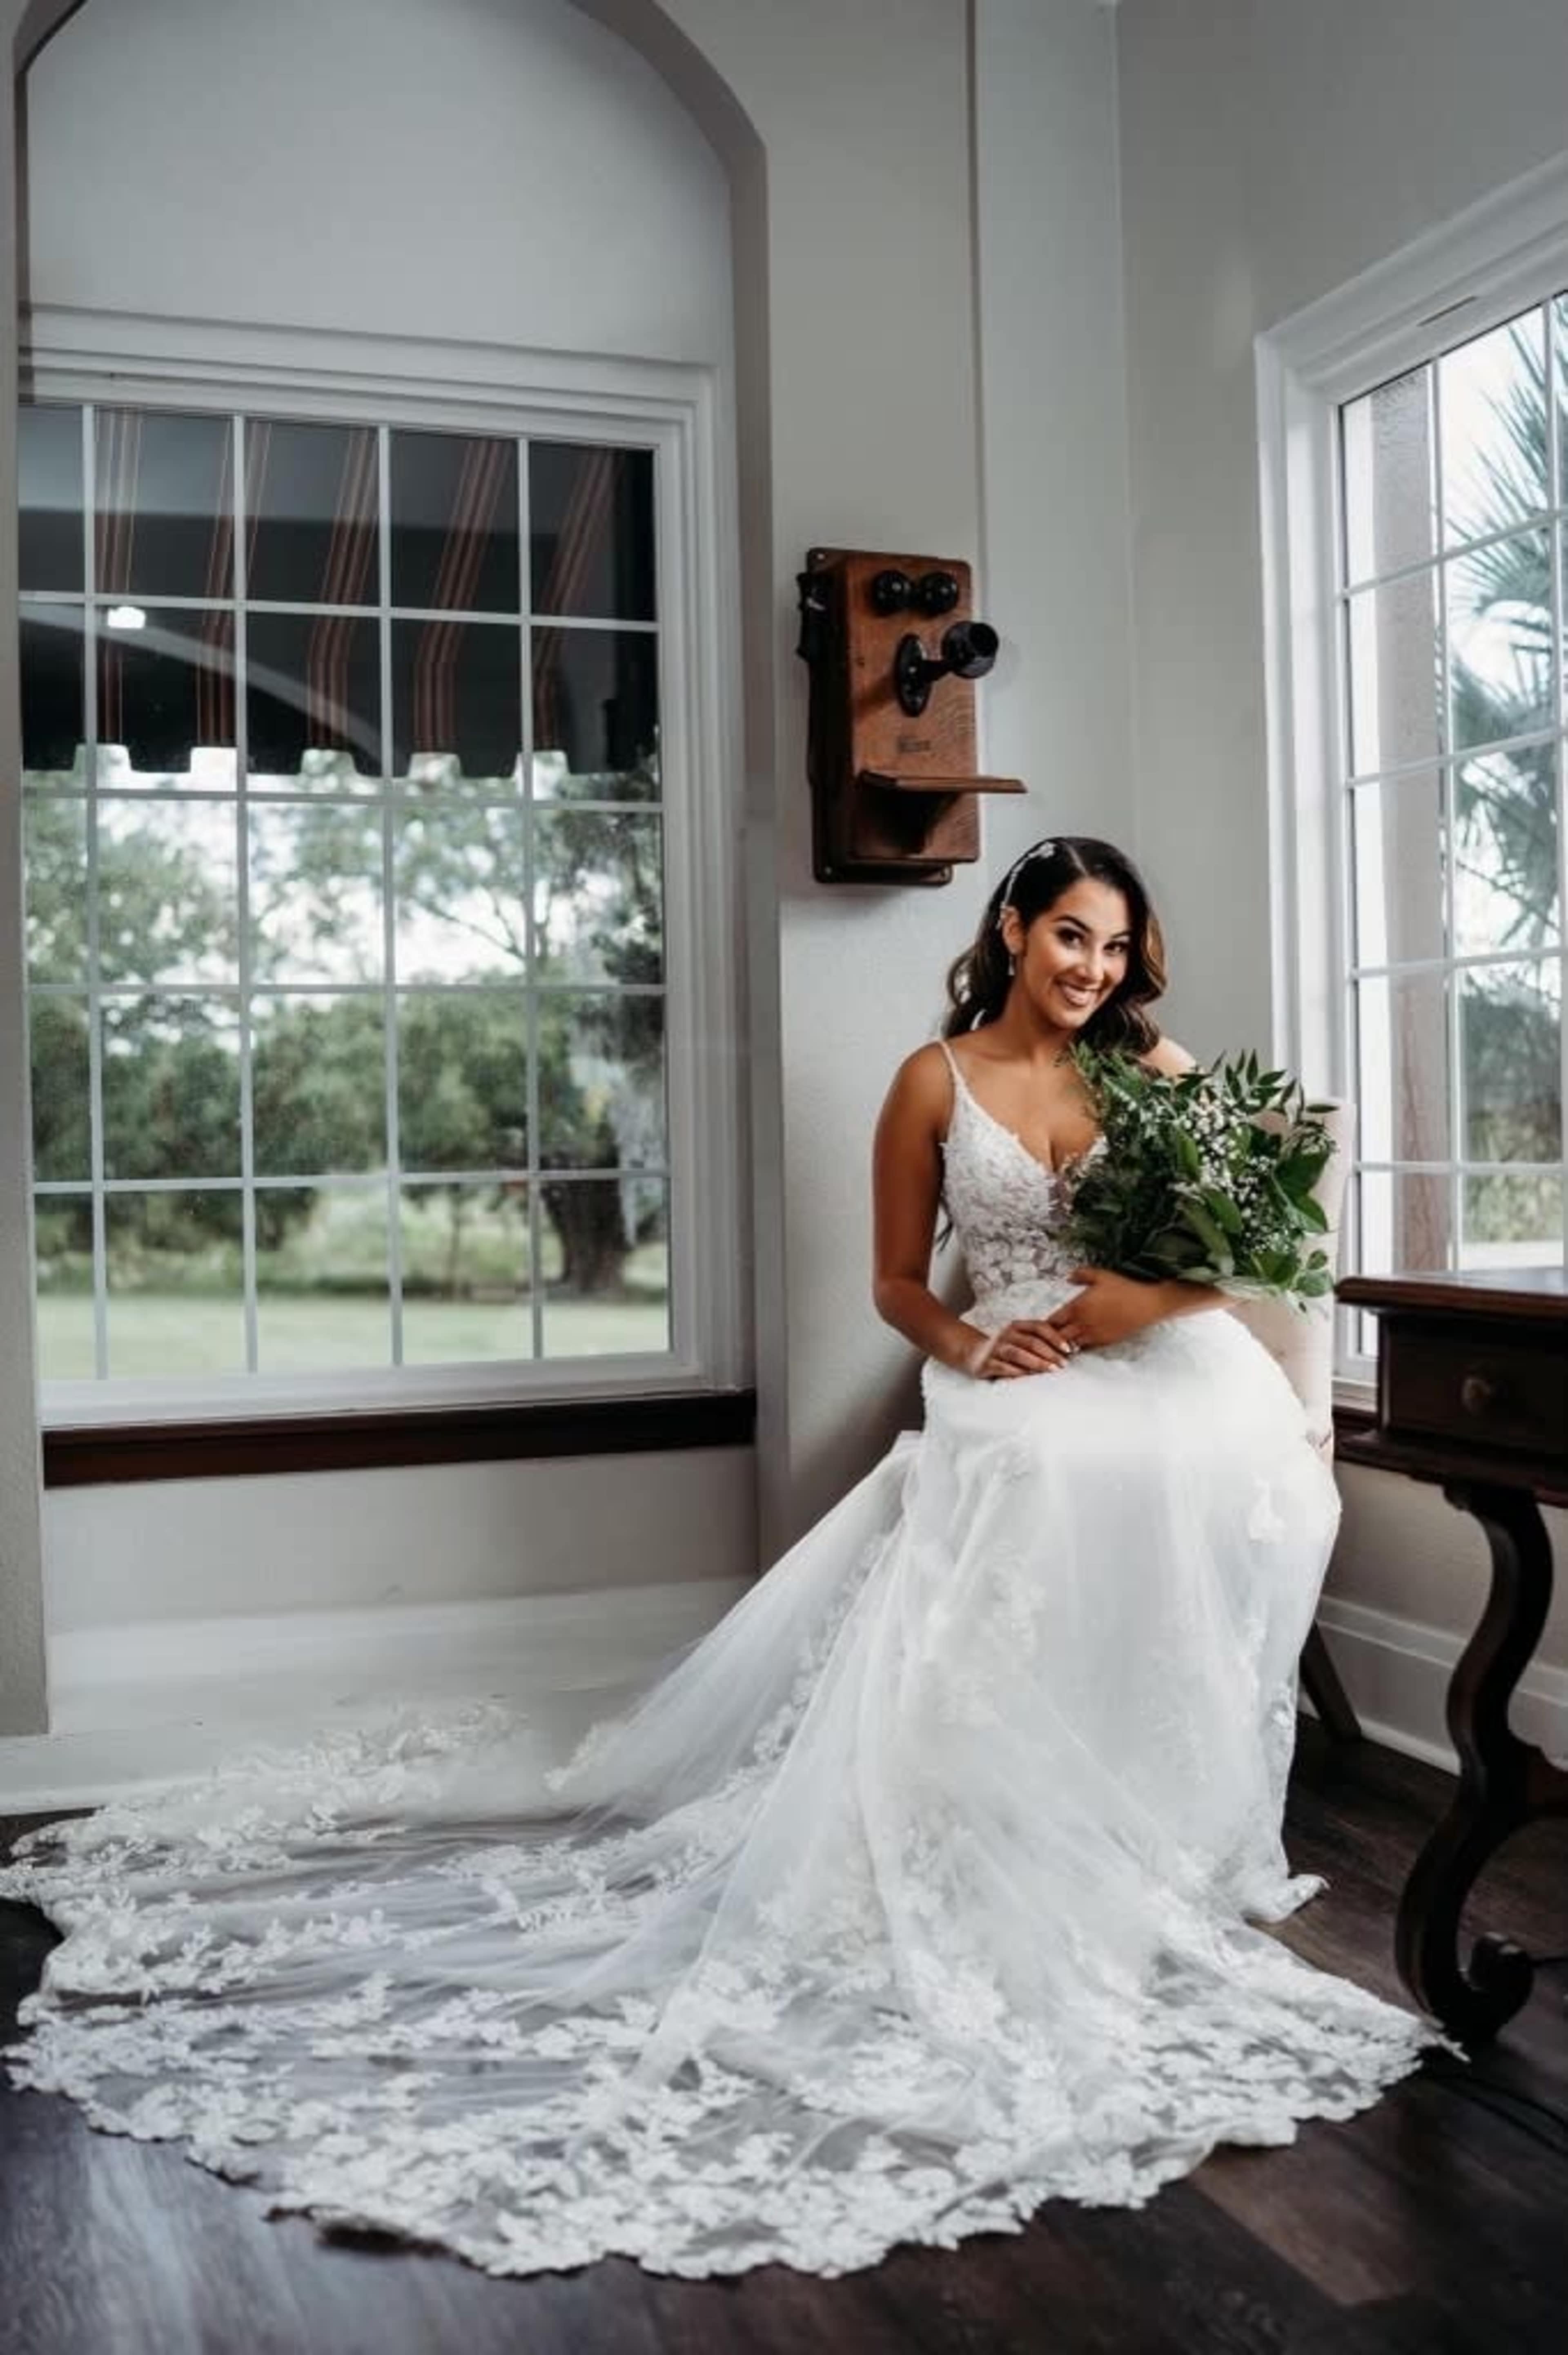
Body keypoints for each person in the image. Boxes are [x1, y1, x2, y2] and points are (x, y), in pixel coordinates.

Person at [0, 835, 1434, 2282]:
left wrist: (1137, 1310)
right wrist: (974, 1344)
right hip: (1010, 1353)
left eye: (1116, 950)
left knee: (1217, 1458)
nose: (1093, 972)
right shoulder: (932, 1081)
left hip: (1155, 1343)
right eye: (1071, 937)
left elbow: (1256, 1244)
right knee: (1038, 1459)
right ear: (1011, 927)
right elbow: (892, 1283)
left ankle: (1159, 1811)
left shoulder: (1158, 1070)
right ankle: (988, 1804)